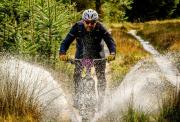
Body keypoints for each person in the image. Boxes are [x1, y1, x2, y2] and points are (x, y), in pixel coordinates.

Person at [59, 8, 116, 108]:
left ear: (96, 22)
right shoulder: (77, 27)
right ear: (83, 21)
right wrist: (62, 53)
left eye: (92, 22)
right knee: (77, 74)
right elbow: (66, 41)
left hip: (98, 54)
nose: (90, 24)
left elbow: (110, 41)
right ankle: (77, 97)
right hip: (81, 54)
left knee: (101, 76)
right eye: (87, 22)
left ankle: (101, 101)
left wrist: (112, 53)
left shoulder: (101, 28)